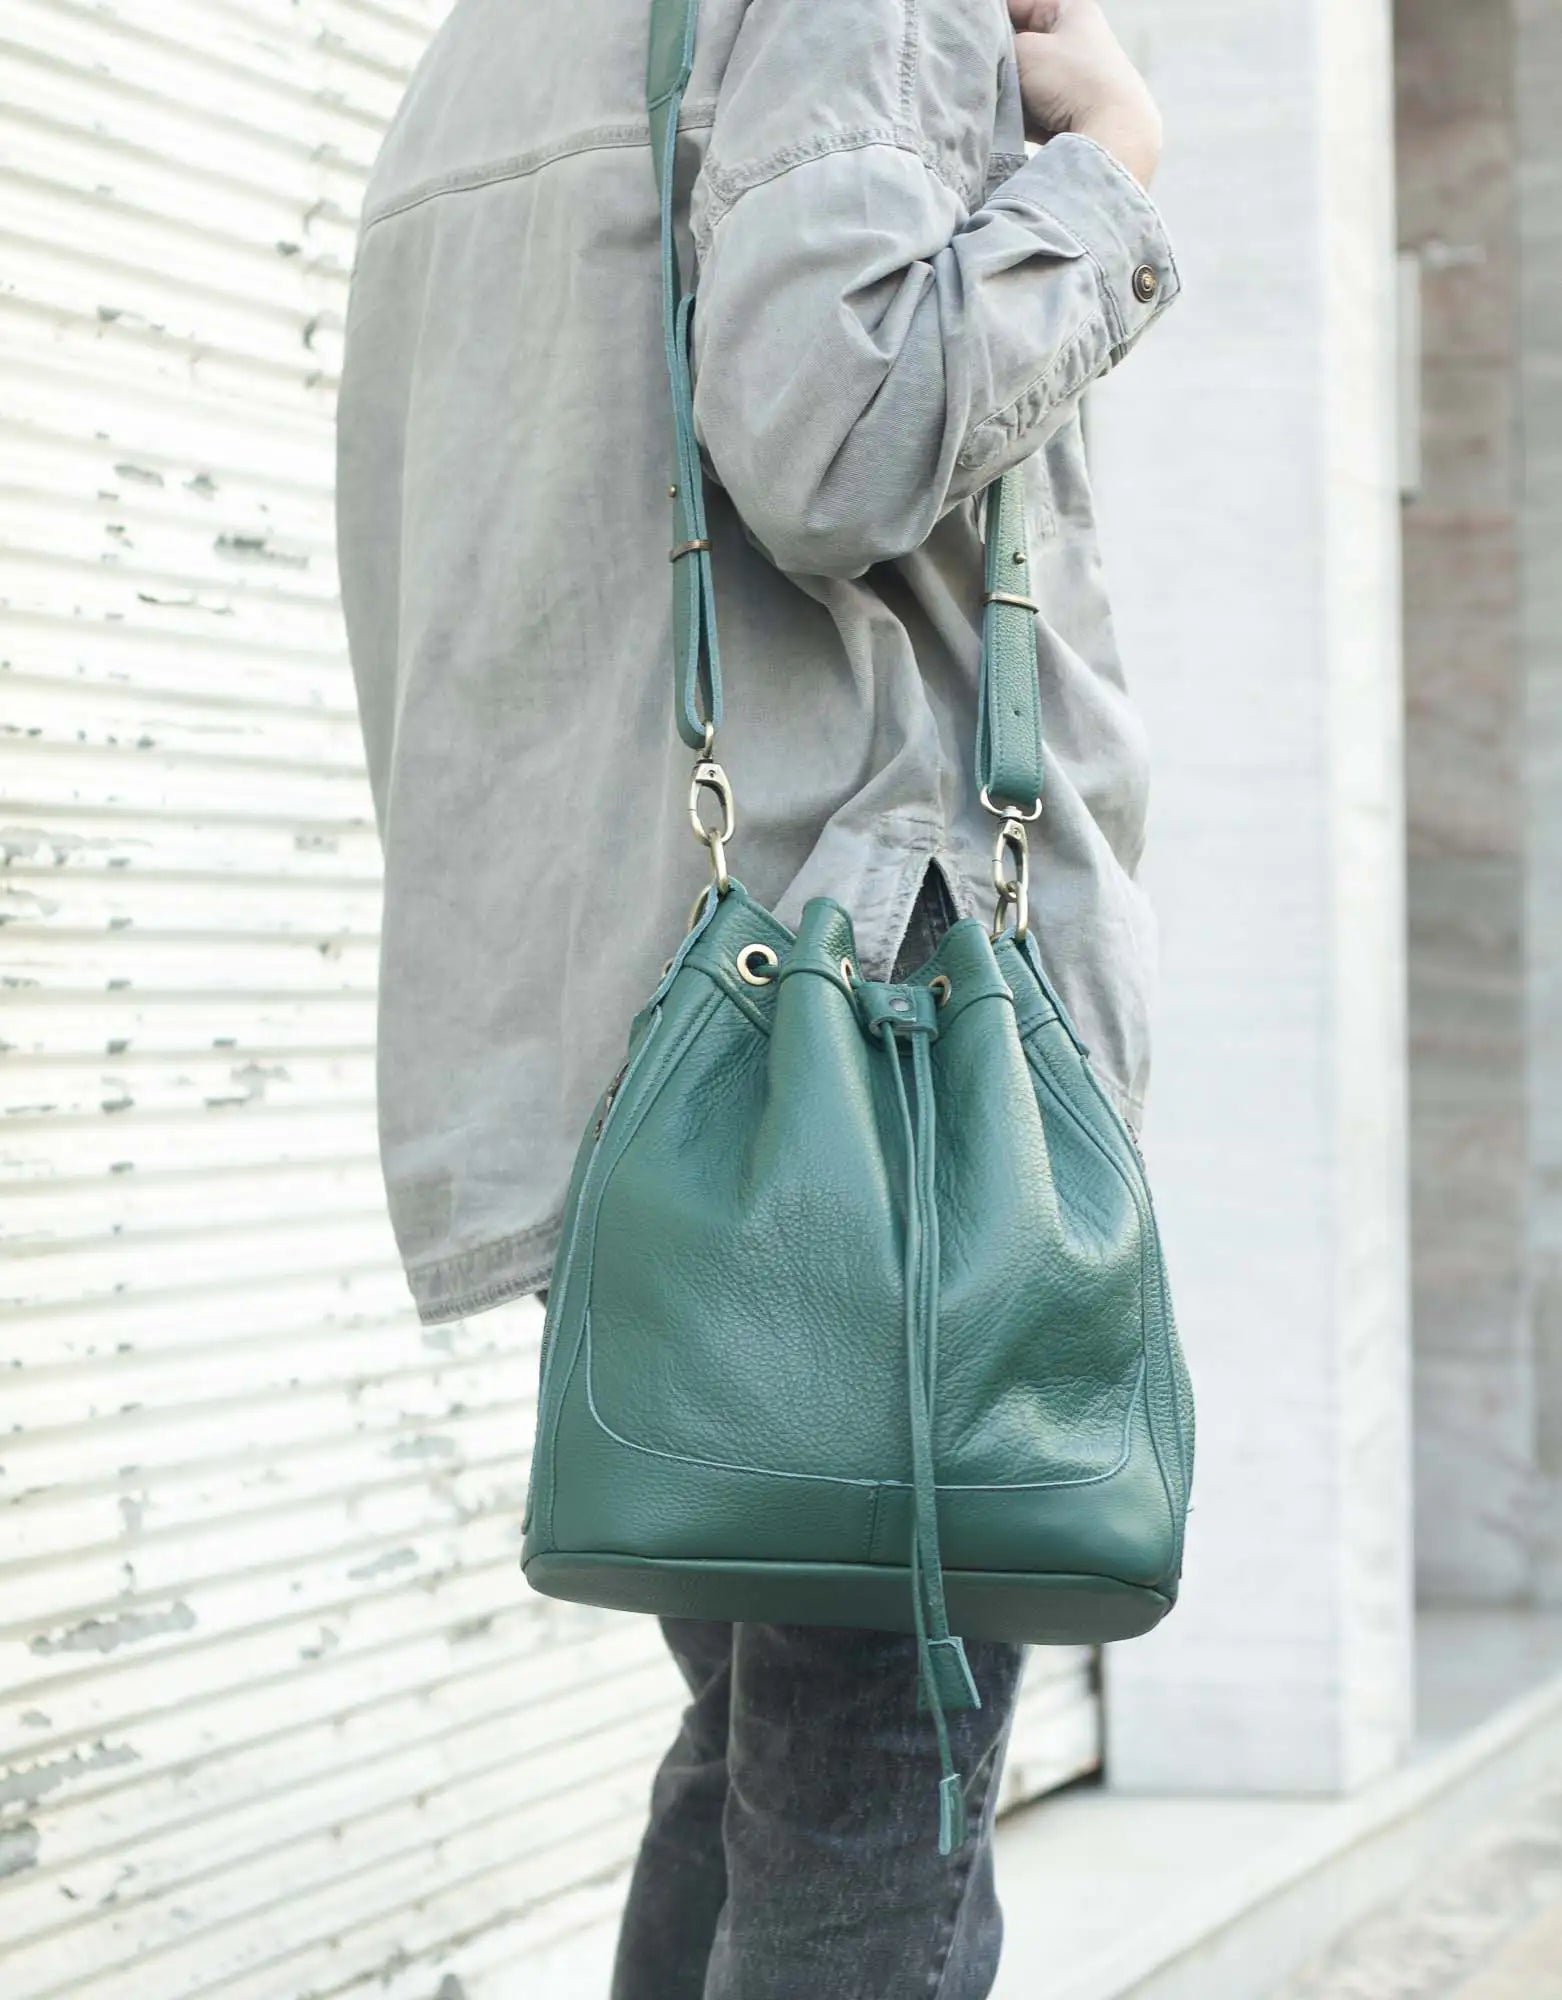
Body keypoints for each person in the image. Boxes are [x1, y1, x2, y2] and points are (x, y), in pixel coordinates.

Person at [337, 0, 1176, 1991]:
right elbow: (838, 435)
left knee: (772, 1756)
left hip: (652, 1067)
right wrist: (1107, 170)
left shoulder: (492, 50)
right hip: (866, 1067)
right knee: (873, 1777)